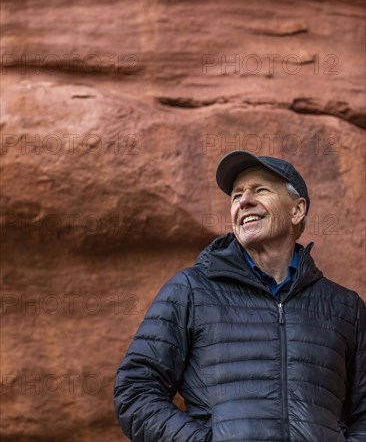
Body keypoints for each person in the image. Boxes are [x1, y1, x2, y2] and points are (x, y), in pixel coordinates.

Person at [114, 150, 366, 441]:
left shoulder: (345, 307)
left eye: (260, 190)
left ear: (297, 211)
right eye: (236, 196)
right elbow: (135, 389)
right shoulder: (191, 290)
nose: (244, 201)